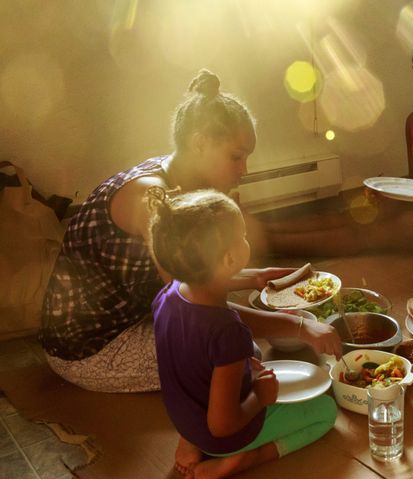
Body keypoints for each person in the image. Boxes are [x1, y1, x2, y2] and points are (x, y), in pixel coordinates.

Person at [40, 69, 341, 393]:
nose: (244, 170)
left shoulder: (175, 175)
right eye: (236, 157)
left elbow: (189, 274)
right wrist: (297, 326)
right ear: (199, 144)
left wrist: (254, 277)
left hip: (136, 310)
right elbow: (192, 305)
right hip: (90, 348)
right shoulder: (154, 201)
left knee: (238, 344)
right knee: (236, 353)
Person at [148, 188, 337, 479]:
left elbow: (216, 294)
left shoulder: (170, 293)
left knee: (248, 350)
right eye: (244, 236)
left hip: (186, 419)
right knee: (325, 413)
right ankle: (240, 460)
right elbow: (222, 425)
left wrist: (256, 278)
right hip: (222, 435)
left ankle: (189, 442)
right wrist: (261, 396)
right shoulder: (227, 332)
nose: (248, 240)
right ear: (229, 257)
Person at [262, 34, 413, 256]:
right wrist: (388, 192)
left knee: (366, 236)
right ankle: (264, 229)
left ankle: (266, 245)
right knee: (354, 217)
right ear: (412, 72)